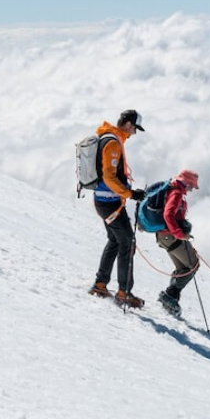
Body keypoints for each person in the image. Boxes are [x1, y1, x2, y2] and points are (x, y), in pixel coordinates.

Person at [88, 110, 146, 308]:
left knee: (115, 241)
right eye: (135, 129)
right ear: (128, 124)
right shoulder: (113, 142)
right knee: (127, 243)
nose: (134, 134)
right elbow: (109, 177)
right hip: (109, 202)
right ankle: (124, 292)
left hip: (104, 201)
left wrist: (128, 192)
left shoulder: (108, 136)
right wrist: (130, 194)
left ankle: (101, 284)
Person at [155, 169, 200, 316]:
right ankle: (170, 295)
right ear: (186, 183)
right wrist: (180, 234)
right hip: (170, 236)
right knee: (193, 265)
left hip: (165, 236)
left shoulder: (173, 189)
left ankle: (171, 299)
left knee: (182, 268)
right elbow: (168, 215)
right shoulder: (176, 193)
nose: (191, 190)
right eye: (191, 187)